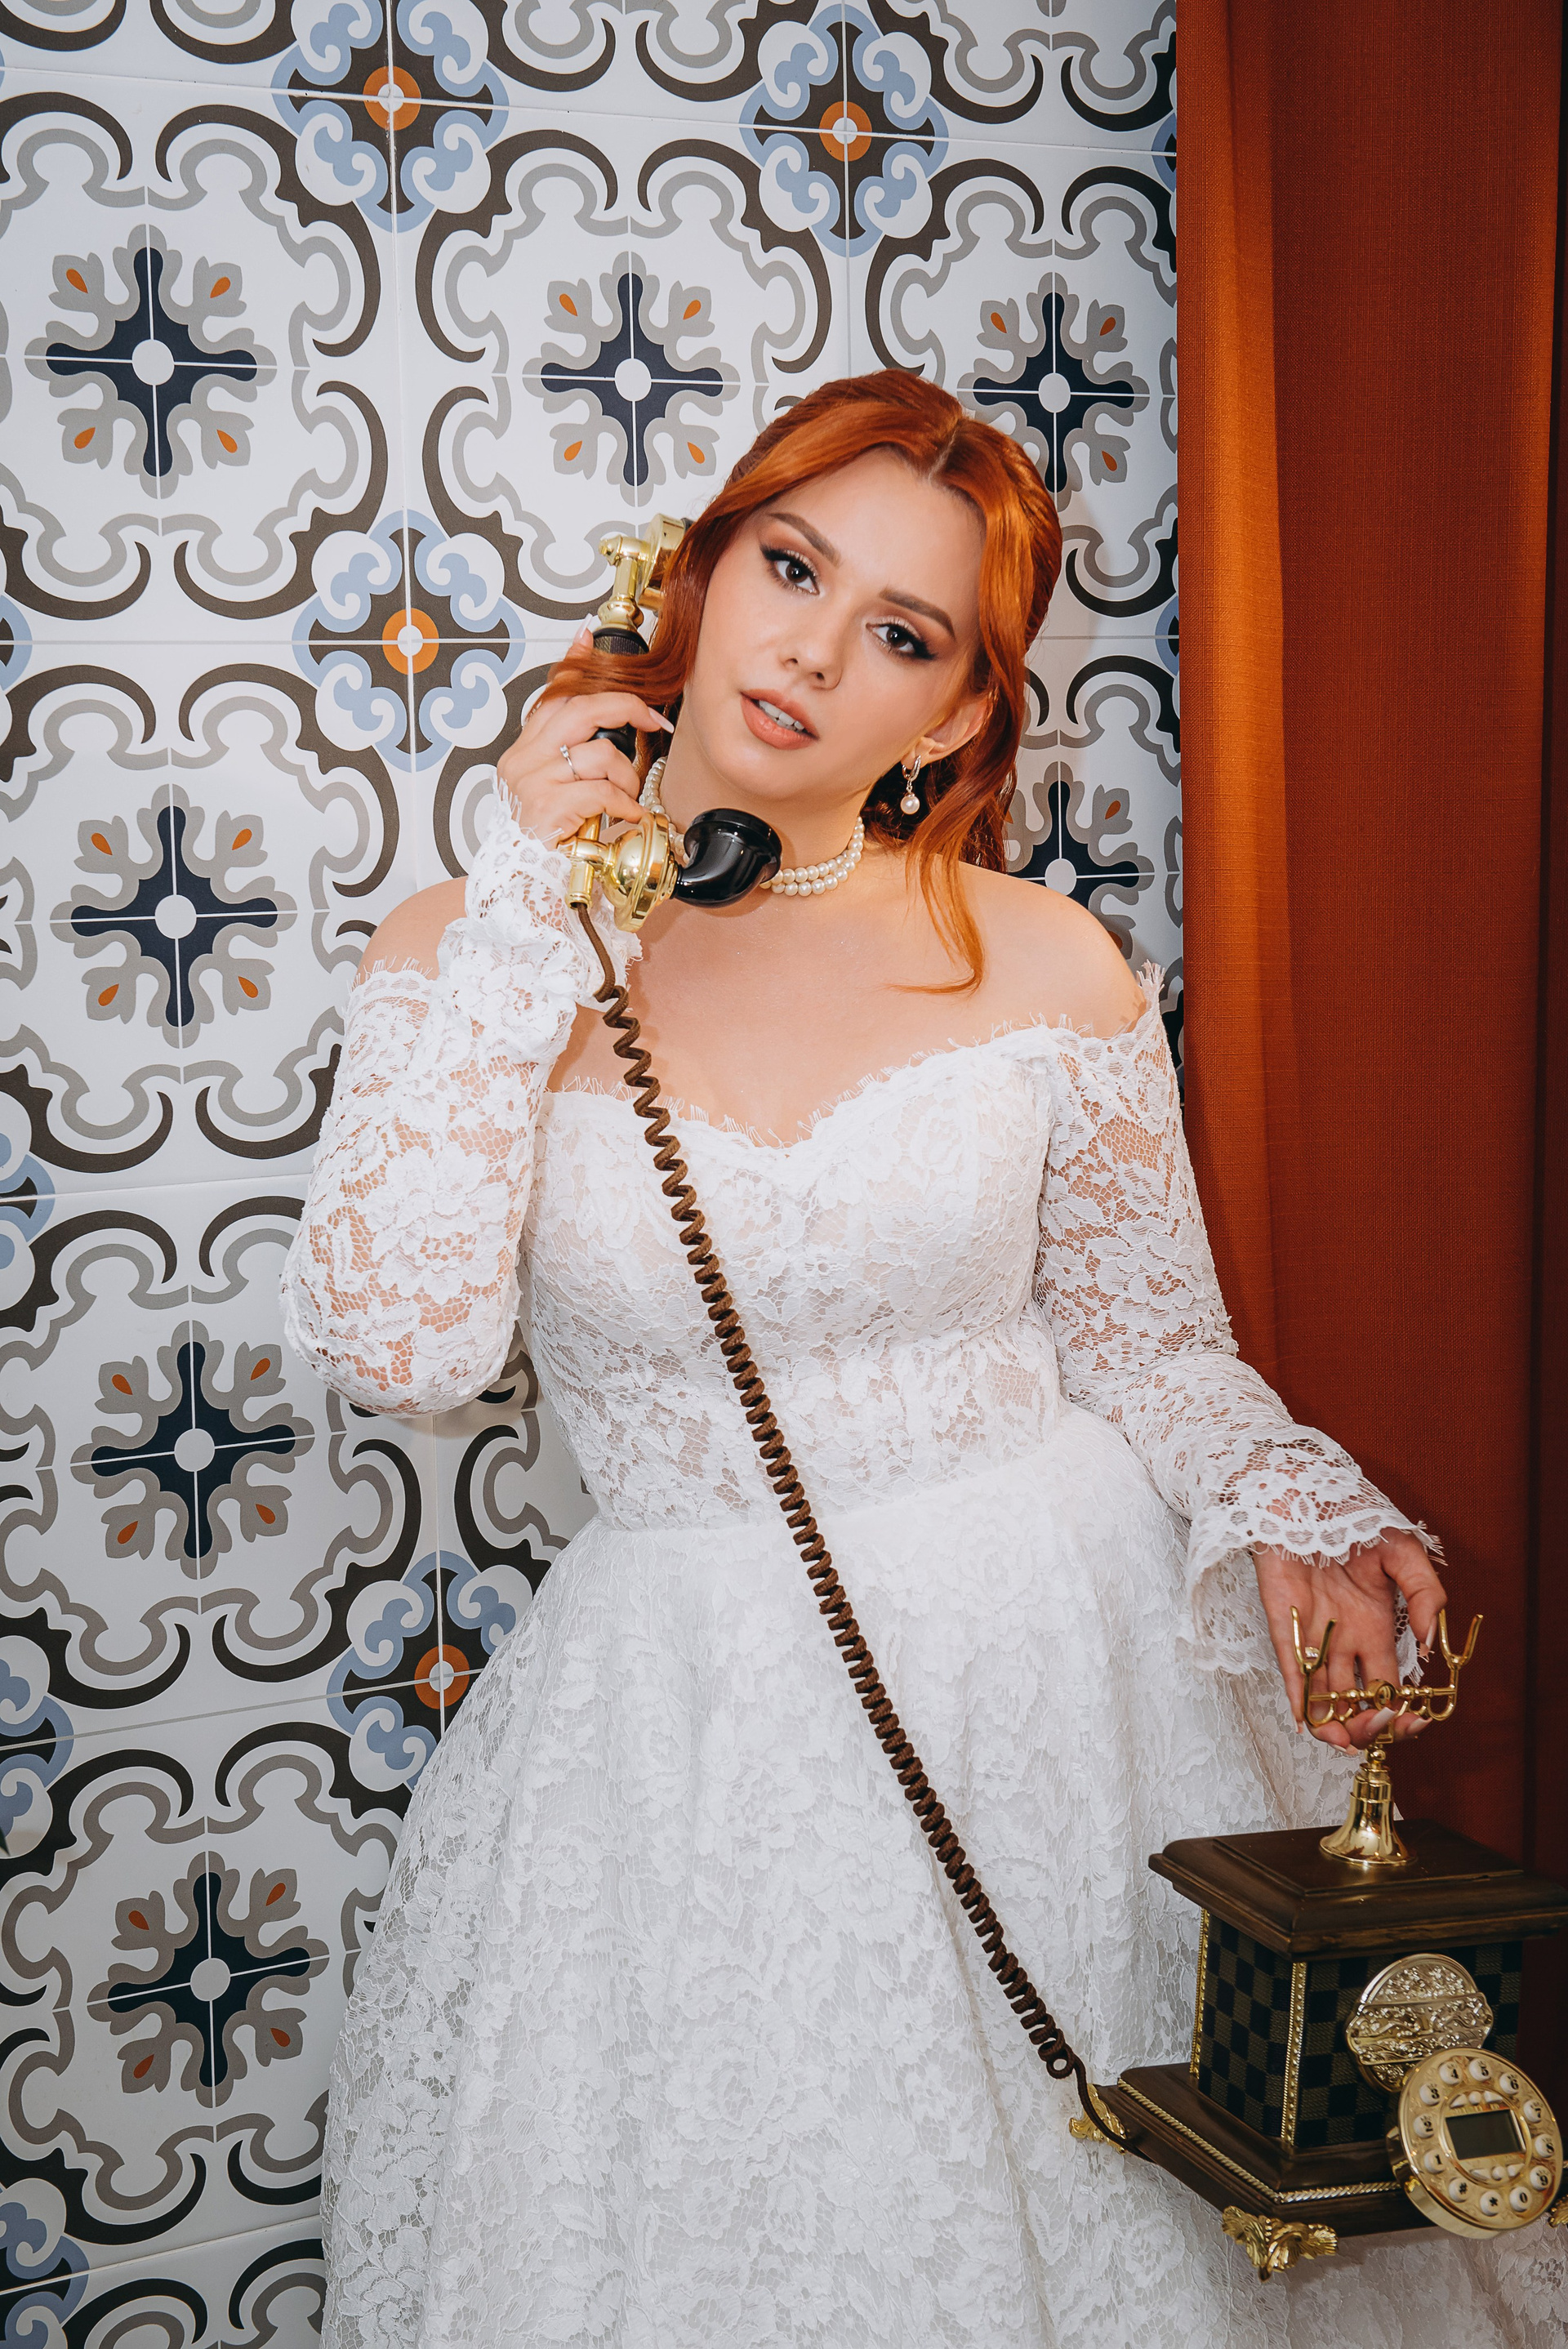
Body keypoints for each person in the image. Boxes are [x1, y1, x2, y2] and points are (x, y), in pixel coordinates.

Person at [283, 372, 1558, 2346]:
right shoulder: (470, 952)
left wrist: (1291, 1495)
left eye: (901, 633)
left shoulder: (1041, 955)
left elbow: (1152, 1343)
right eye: (789, 569)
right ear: (696, 574)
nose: (809, 650)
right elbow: (403, 1343)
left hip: (1064, 1674)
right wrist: (535, 915)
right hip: (689, 1729)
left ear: (959, 714)